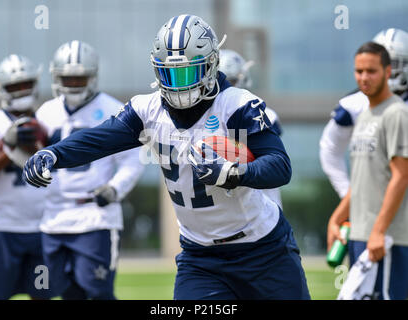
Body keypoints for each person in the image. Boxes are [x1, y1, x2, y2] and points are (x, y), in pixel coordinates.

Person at [23, 15, 310, 300]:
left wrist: (233, 173)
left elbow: (279, 166)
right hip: (201, 257)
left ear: (210, 66)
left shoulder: (236, 105)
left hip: (262, 249)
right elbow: (98, 139)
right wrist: (53, 153)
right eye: (169, 74)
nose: (178, 84)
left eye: (187, 73)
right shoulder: (146, 109)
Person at [33, 40, 144, 300]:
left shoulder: (112, 109)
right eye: (67, 78)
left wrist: (115, 189)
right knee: (65, 293)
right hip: (54, 216)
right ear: (56, 76)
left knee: (97, 292)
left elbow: (133, 159)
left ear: (93, 76)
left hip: (95, 214)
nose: (73, 84)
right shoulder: (46, 112)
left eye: (79, 78)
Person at [327, 42, 408, 300]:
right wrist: (337, 218)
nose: (364, 77)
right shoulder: (364, 116)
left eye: (371, 71)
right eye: (359, 71)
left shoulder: (396, 114)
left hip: (387, 241)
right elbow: (363, 181)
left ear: (387, 72)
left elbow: (401, 175)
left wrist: (379, 231)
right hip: (361, 237)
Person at [0, 54, 53, 300]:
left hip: (42, 228)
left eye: (26, 84)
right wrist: (9, 150)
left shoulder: (50, 121)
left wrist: (39, 145)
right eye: (14, 86)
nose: (21, 90)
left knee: (43, 296)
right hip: (2, 229)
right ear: (2, 89)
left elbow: (64, 169)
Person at [319, 28, 408, 199]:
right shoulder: (353, 105)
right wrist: (346, 193)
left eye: (393, 65)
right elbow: (330, 149)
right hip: (370, 199)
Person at [220, 48, 283, 208]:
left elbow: (270, 162)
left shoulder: (262, 114)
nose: (226, 87)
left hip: (263, 206)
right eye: (220, 80)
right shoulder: (208, 117)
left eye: (231, 81)